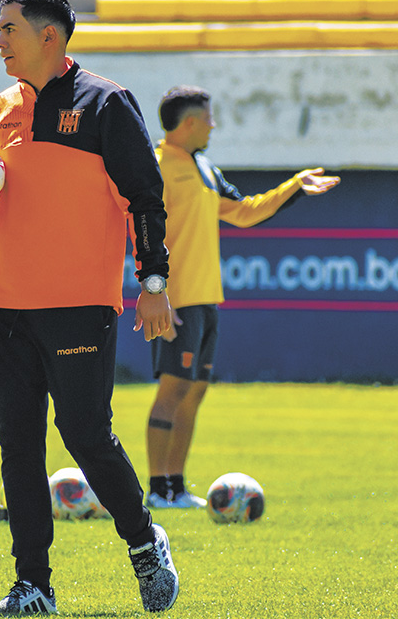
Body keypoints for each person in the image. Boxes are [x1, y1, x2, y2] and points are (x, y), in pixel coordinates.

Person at [0, 0, 179, 614]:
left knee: (86, 434)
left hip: (79, 304)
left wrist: (154, 283)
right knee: (19, 445)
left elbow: (145, 200)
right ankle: (33, 586)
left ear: (50, 35)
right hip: (4, 307)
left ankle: (144, 542)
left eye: (8, 29)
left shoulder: (107, 104)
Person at [144, 86, 340, 508]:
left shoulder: (205, 170)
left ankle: (175, 487)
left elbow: (246, 212)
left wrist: (295, 186)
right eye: (209, 118)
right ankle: (156, 490)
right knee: (172, 391)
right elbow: (142, 234)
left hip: (206, 299)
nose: (214, 125)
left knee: (193, 392)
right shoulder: (156, 168)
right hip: (175, 301)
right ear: (191, 122)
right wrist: (159, 292)